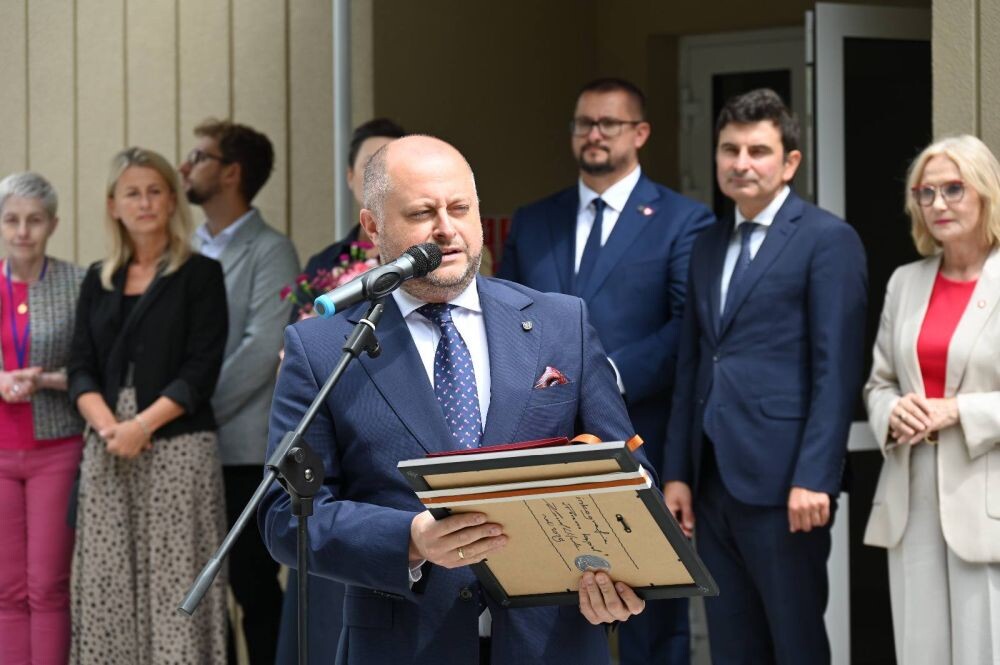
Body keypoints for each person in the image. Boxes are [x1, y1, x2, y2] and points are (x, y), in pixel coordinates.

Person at [259, 135, 647, 665]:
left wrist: (627, 577)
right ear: (373, 226)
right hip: (404, 647)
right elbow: (286, 518)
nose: (446, 228)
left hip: (552, 643)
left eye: (460, 208)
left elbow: (629, 474)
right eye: (422, 213)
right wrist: (411, 539)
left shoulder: (562, 322)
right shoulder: (323, 349)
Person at [497, 77, 713, 665]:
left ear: (639, 133)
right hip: (544, 443)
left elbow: (685, 327)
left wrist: (605, 376)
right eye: (583, 123)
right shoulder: (535, 220)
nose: (593, 134)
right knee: (550, 610)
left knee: (651, 611)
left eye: (608, 124)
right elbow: (507, 316)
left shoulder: (683, 220)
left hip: (641, 434)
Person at [662, 88, 868, 665]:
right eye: (730, 150)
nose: (741, 163)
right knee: (732, 645)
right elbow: (694, 363)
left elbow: (836, 369)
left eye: (758, 151)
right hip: (712, 481)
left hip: (787, 483)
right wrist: (677, 472)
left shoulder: (828, 240)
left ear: (790, 162)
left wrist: (816, 476)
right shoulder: (708, 244)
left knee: (795, 643)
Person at [67, 147, 229, 664]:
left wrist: (141, 426)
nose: (144, 203)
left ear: (172, 200)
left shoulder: (201, 274)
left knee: (176, 578)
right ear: (112, 205)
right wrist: (110, 428)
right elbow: (79, 368)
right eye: (132, 193)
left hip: (178, 443)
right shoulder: (98, 278)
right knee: (106, 580)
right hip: (108, 444)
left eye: (155, 191)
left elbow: (201, 370)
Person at [863, 134, 1000, 665]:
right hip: (910, 500)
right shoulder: (906, 282)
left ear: (985, 192)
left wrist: (958, 410)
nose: (937, 203)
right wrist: (892, 410)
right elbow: (878, 384)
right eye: (925, 192)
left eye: (953, 189)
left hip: (987, 505)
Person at [181, 118, 299, 665]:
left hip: (243, 451)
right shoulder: (184, 247)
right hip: (185, 447)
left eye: (199, 156)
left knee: (253, 584)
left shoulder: (271, 250)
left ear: (231, 172)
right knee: (200, 591)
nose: (185, 166)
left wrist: (188, 407)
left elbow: (261, 350)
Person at [0, 172, 85, 665]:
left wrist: (45, 379)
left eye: (34, 220)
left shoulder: (77, 283)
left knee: (48, 584)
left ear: (52, 224)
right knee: (7, 588)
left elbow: (93, 367)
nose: (22, 231)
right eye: (11, 220)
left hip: (56, 448)